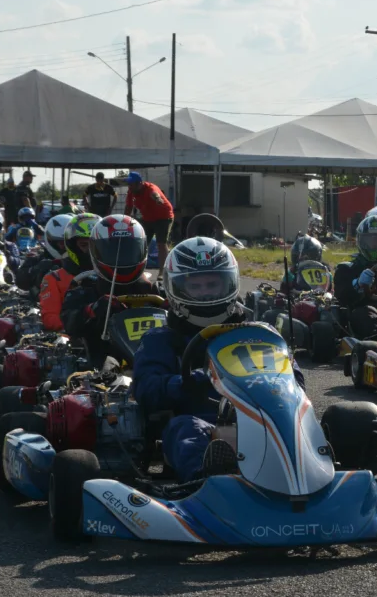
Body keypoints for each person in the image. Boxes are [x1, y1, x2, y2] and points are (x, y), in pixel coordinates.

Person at [132, 236, 305, 482]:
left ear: (230, 283)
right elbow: (146, 390)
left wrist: (272, 383)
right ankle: (211, 480)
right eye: (196, 287)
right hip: (201, 421)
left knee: (306, 423)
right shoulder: (161, 339)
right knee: (185, 429)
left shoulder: (258, 333)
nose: (205, 294)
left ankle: (313, 475)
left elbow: (295, 381)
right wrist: (193, 381)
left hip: (262, 420)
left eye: (212, 285)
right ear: (176, 288)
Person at [60, 214, 157, 367]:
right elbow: (69, 323)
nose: (121, 258)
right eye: (112, 251)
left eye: (128, 250)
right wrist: (92, 310)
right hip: (103, 370)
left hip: (153, 363)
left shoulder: (152, 289)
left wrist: (172, 313)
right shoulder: (84, 289)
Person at [38, 213, 98, 332]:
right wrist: (86, 317)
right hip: (79, 341)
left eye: (95, 245)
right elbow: (50, 319)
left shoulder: (115, 275)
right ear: (73, 246)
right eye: (84, 245)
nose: (90, 251)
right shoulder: (55, 278)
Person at [122, 171, 173, 276]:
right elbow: (128, 207)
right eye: (128, 184)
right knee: (142, 242)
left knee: (161, 243)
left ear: (139, 183)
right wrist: (123, 221)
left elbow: (155, 194)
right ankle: (137, 270)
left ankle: (162, 272)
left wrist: (158, 199)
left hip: (163, 216)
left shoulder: (150, 188)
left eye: (131, 184)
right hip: (148, 218)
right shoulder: (131, 192)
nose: (129, 186)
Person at [15, 212, 73, 295]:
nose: (65, 246)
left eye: (69, 243)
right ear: (51, 241)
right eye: (61, 243)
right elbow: (20, 281)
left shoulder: (82, 258)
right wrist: (37, 269)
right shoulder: (38, 260)